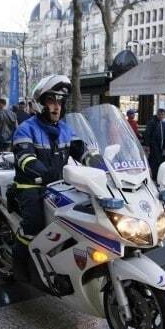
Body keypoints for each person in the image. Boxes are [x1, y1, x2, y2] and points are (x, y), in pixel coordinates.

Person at [12, 75, 96, 284]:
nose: (56, 107)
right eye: (51, 101)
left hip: (59, 187)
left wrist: (101, 164)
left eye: (59, 102)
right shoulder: (26, 128)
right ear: (40, 104)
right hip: (31, 186)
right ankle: (20, 266)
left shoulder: (66, 129)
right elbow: (25, 158)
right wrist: (42, 171)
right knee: (34, 225)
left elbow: (82, 152)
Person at [144, 108, 165, 180]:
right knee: (153, 162)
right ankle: (153, 177)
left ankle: (158, 177)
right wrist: (147, 145)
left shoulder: (163, 124)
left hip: (161, 147)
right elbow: (147, 134)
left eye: (162, 115)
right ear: (157, 114)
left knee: (160, 162)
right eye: (160, 114)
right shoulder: (152, 122)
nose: (161, 116)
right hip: (153, 146)